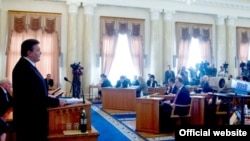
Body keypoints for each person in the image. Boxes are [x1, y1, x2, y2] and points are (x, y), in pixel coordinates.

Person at [12, 39, 67, 141]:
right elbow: (34, 98)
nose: (40, 52)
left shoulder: (27, 66)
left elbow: (34, 90)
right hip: (30, 121)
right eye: (37, 50)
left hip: (32, 119)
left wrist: (48, 95)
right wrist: (57, 101)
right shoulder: (24, 68)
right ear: (29, 53)